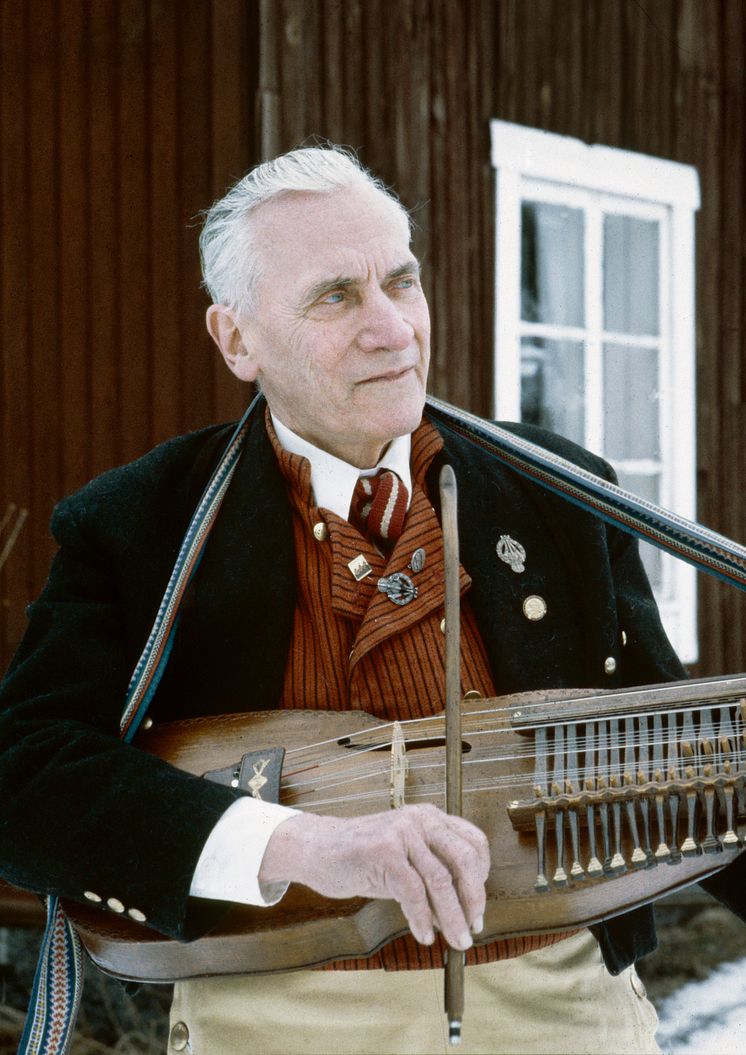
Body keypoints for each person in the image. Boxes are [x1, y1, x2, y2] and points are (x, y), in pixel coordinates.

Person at [0, 146, 743, 1055]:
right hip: (281, 1013)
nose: (393, 329)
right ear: (236, 338)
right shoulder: (144, 523)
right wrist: (306, 847)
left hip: (564, 1009)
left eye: (402, 281)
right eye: (335, 296)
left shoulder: (558, 493)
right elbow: (23, 777)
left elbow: (696, 769)